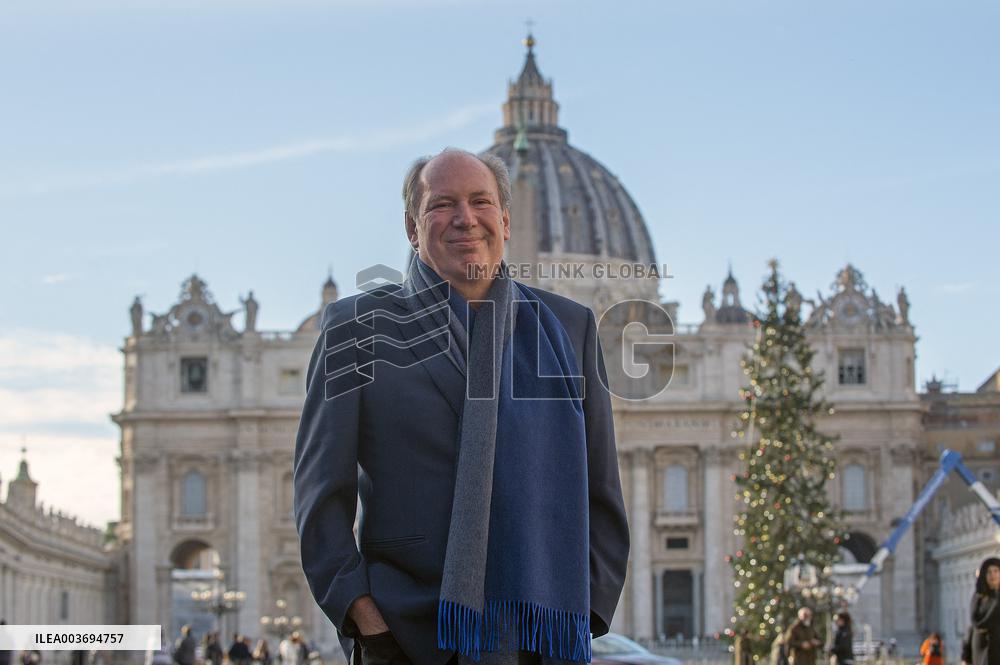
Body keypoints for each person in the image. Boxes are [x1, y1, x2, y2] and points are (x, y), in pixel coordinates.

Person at [294, 148, 630, 665]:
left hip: (537, 640)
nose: (465, 218)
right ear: (412, 227)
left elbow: (602, 492)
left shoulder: (570, 327)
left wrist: (582, 615)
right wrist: (366, 619)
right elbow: (319, 494)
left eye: (480, 201)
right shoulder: (355, 328)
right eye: (442, 204)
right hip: (405, 633)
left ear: (506, 221)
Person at [971, 556, 1000, 665]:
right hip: (980, 649)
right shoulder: (979, 597)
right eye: (989, 572)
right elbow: (973, 625)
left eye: (996, 571)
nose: (992, 575)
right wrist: (966, 656)